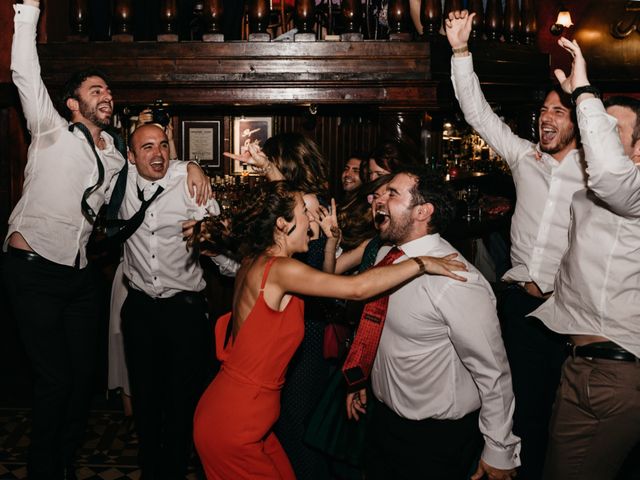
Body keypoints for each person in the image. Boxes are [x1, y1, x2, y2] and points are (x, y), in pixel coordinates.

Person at [192, 180, 468, 480]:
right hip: (234, 425)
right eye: (303, 212)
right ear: (283, 224)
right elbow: (357, 288)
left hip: (243, 418)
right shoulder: (279, 270)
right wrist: (421, 262)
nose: (311, 219)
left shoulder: (255, 260)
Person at [445, 10, 587, 478]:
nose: (546, 118)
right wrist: (461, 51)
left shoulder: (596, 175)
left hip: (570, 315)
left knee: (562, 419)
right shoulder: (524, 157)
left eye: (558, 112)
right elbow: (477, 113)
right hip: (519, 308)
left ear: (578, 122)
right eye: (544, 110)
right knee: (515, 408)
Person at [345, 166, 521, 480]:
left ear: (423, 211)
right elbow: (379, 330)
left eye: (392, 194)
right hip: (382, 421)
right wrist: (363, 378)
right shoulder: (387, 255)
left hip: (434, 439)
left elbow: (492, 370)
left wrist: (499, 448)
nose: (377, 199)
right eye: (381, 193)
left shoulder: (456, 280)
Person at [531, 37, 640, 480]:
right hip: (585, 365)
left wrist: (585, 94)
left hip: (611, 375)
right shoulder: (596, 193)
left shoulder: (631, 189)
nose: (599, 140)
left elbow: (612, 174)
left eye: (613, 134)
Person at [117, 124, 222, 479]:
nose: (158, 154)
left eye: (162, 145)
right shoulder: (120, 181)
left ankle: (175, 471)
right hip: (141, 310)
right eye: (146, 148)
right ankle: (151, 469)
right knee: (145, 400)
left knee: (182, 401)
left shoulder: (190, 184)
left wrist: (192, 165)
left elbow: (220, 237)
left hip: (185, 310)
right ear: (131, 157)